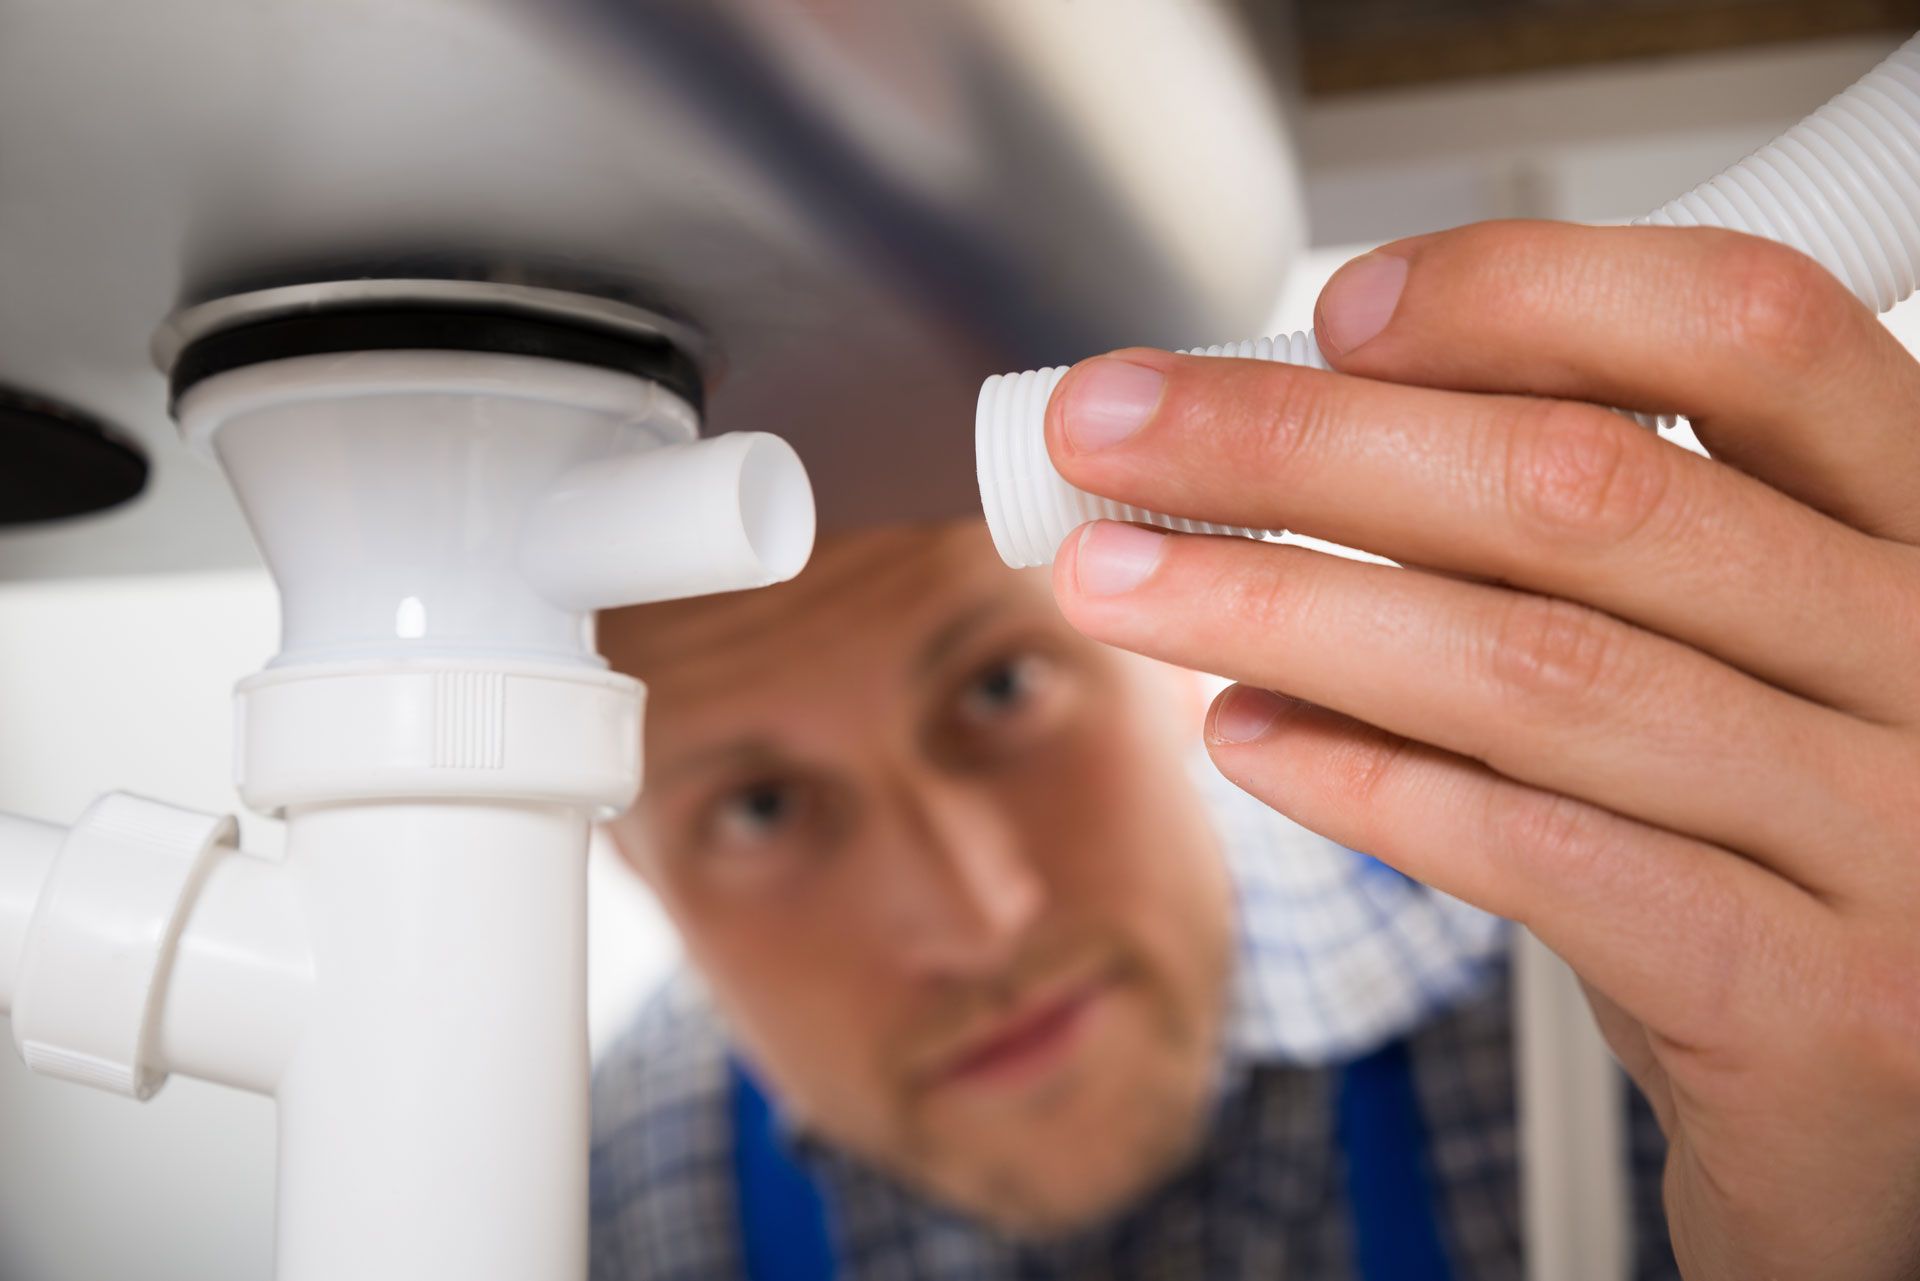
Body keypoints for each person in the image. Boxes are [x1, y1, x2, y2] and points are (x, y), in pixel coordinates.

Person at [590, 221, 1920, 1280]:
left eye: (1001, 689)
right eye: (758, 810)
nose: (980, 917)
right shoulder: (619, 1190)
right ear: (617, 852)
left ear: (1167, 642)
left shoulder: (1663, 1010)